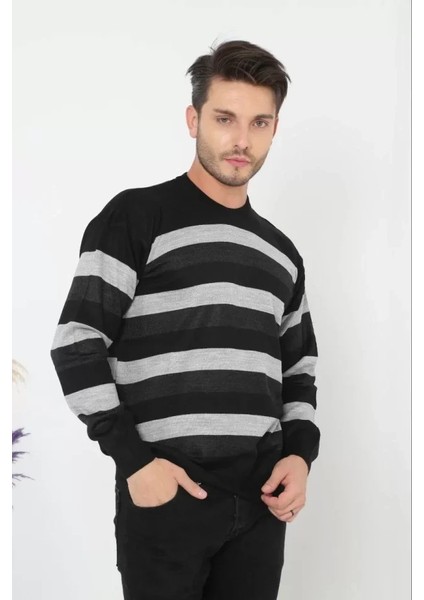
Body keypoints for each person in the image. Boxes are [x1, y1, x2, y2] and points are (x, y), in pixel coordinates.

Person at [50, 39, 320, 600]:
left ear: (274, 129)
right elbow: (77, 343)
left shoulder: (282, 253)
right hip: (168, 492)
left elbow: (298, 370)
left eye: (259, 122)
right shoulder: (136, 216)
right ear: (193, 119)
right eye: (225, 118)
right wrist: (135, 462)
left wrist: (299, 454)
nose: (242, 140)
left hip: (260, 502)